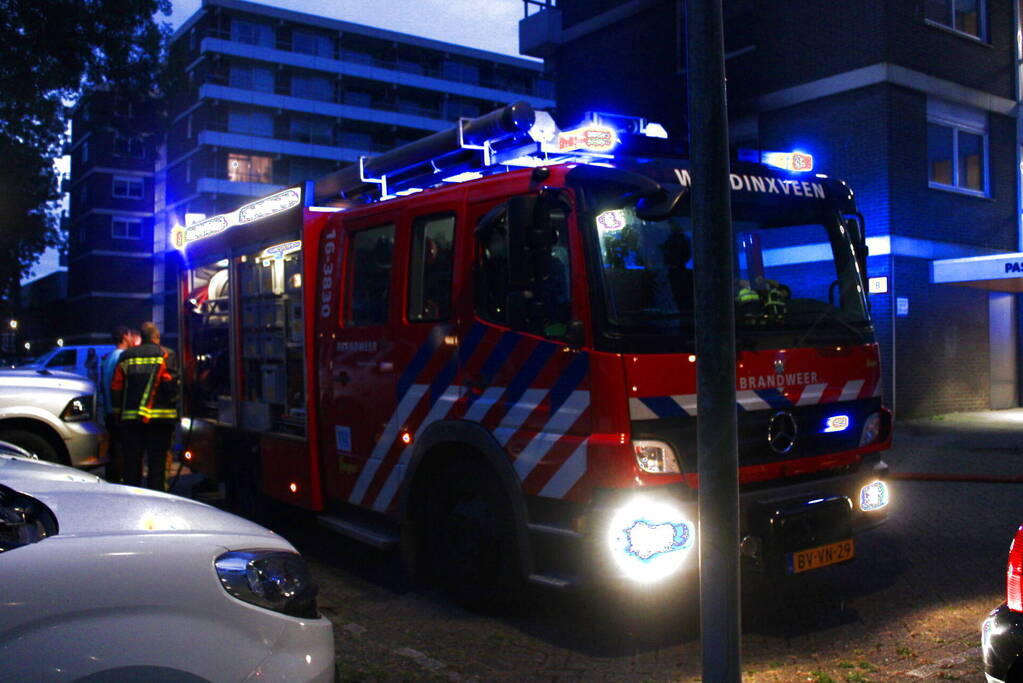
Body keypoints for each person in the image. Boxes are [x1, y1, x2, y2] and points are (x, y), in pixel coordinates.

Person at [111, 321, 179, 491]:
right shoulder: (166, 354)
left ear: (141, 337)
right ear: (157, 336)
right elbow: (170, 386)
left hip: (131, 422)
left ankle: (132, 499)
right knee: (157, 466)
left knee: (132, 465)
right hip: (160, 422)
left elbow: (116, 388)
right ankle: (156, 499)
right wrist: (175, 401)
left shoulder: (126, 356)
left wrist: (118, 414)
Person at [98, 326, 139, 484]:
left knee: (114, 448)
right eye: (129, 335)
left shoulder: (109, 357)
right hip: (119, 411)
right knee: (122, 449)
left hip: (108, 411)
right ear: (124, 336)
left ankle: (113, 478)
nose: (132, 338)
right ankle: (120, 481)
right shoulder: (122, 356)